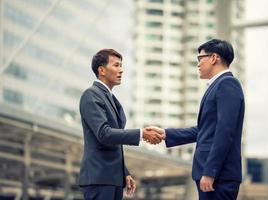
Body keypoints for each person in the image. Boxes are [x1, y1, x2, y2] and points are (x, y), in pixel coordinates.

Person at [149, 39, 245, 200]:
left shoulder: (227, 84)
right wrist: (166, 134)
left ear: (214, 58)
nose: (198, 64)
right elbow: (205, 130)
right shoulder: (218, 86)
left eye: (200, 59)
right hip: (212, 174)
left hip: (218, 176)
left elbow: (225, 132)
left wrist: (210, 171)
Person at [79, 49, 164, 200]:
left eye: (121, 65)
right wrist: (141, 133)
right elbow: (104, 134)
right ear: (102, 70)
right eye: (116, 65)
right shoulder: (91, 95)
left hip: (112, 179)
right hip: (99, 179)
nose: (121, 70)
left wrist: (124, 173)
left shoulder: (110, 98)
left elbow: (114, 144)